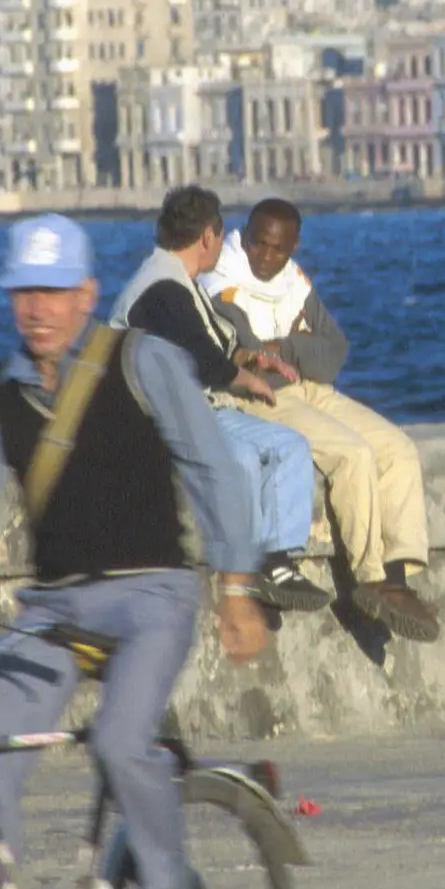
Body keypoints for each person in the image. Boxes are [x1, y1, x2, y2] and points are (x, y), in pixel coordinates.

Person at [0, 213, 265, 889]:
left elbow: (210, 467)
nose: (38, 308)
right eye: (24, 292)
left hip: (151, 596)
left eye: (55, 291)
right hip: (54, 609)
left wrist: (235, 584)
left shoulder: (143, 361)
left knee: (123, 742)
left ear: (87, 294)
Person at [201, 196, 439, 640]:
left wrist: (285, 348)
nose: (266, 258)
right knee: (352, 454)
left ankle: (397, 578)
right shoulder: (222, 281)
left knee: (398, 451)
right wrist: (289, 346)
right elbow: (252, 359)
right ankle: (370, 580)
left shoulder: (295, 282)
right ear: (245, 235)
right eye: (258, 244)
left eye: (278, 249)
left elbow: (333, 352)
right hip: (263, 397)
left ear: (294, 247)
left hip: (310, 388)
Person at [111, 186, 326, 613]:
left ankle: (278, 561)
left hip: (198, 407)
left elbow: (214, 346)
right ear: (208, 236)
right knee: (242, 459)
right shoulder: (160, 286)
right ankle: (243, 571)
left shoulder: (179, 280)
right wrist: (246, 378)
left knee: (290, 446)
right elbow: (202, 356)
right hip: (157, 417)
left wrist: (249, 357)